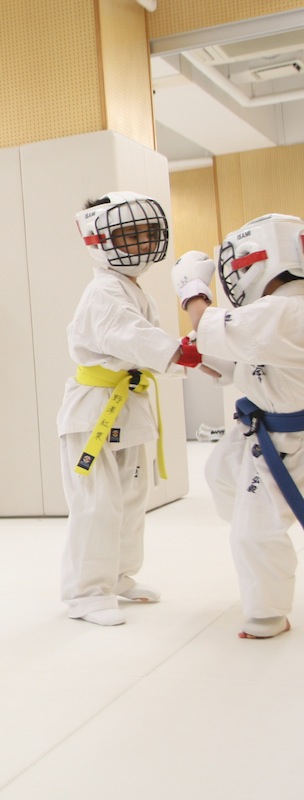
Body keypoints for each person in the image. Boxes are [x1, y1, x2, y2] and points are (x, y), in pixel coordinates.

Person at [58, 192, 202, 627]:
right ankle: (86, 593)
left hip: (128, 405)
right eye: (128, 235)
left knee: (131, 498)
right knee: (97, 503)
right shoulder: (104, 291)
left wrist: (183, 354)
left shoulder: (129, 287)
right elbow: (132, 337)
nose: (140, 242)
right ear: (99, 241)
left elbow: (142, 344)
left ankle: (117, 576)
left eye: (145, 233)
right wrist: (184, 353)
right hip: (94, 411)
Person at [173, 213, 304, 640]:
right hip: (263, 425)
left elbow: (209, 323)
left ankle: (268, 612)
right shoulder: (275, 311)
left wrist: (191, 288)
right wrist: (203, 359)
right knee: (220, 475)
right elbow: (245, 364)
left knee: (253, 530)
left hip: (290, 438)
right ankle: (263, 520)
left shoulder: (288, 309)